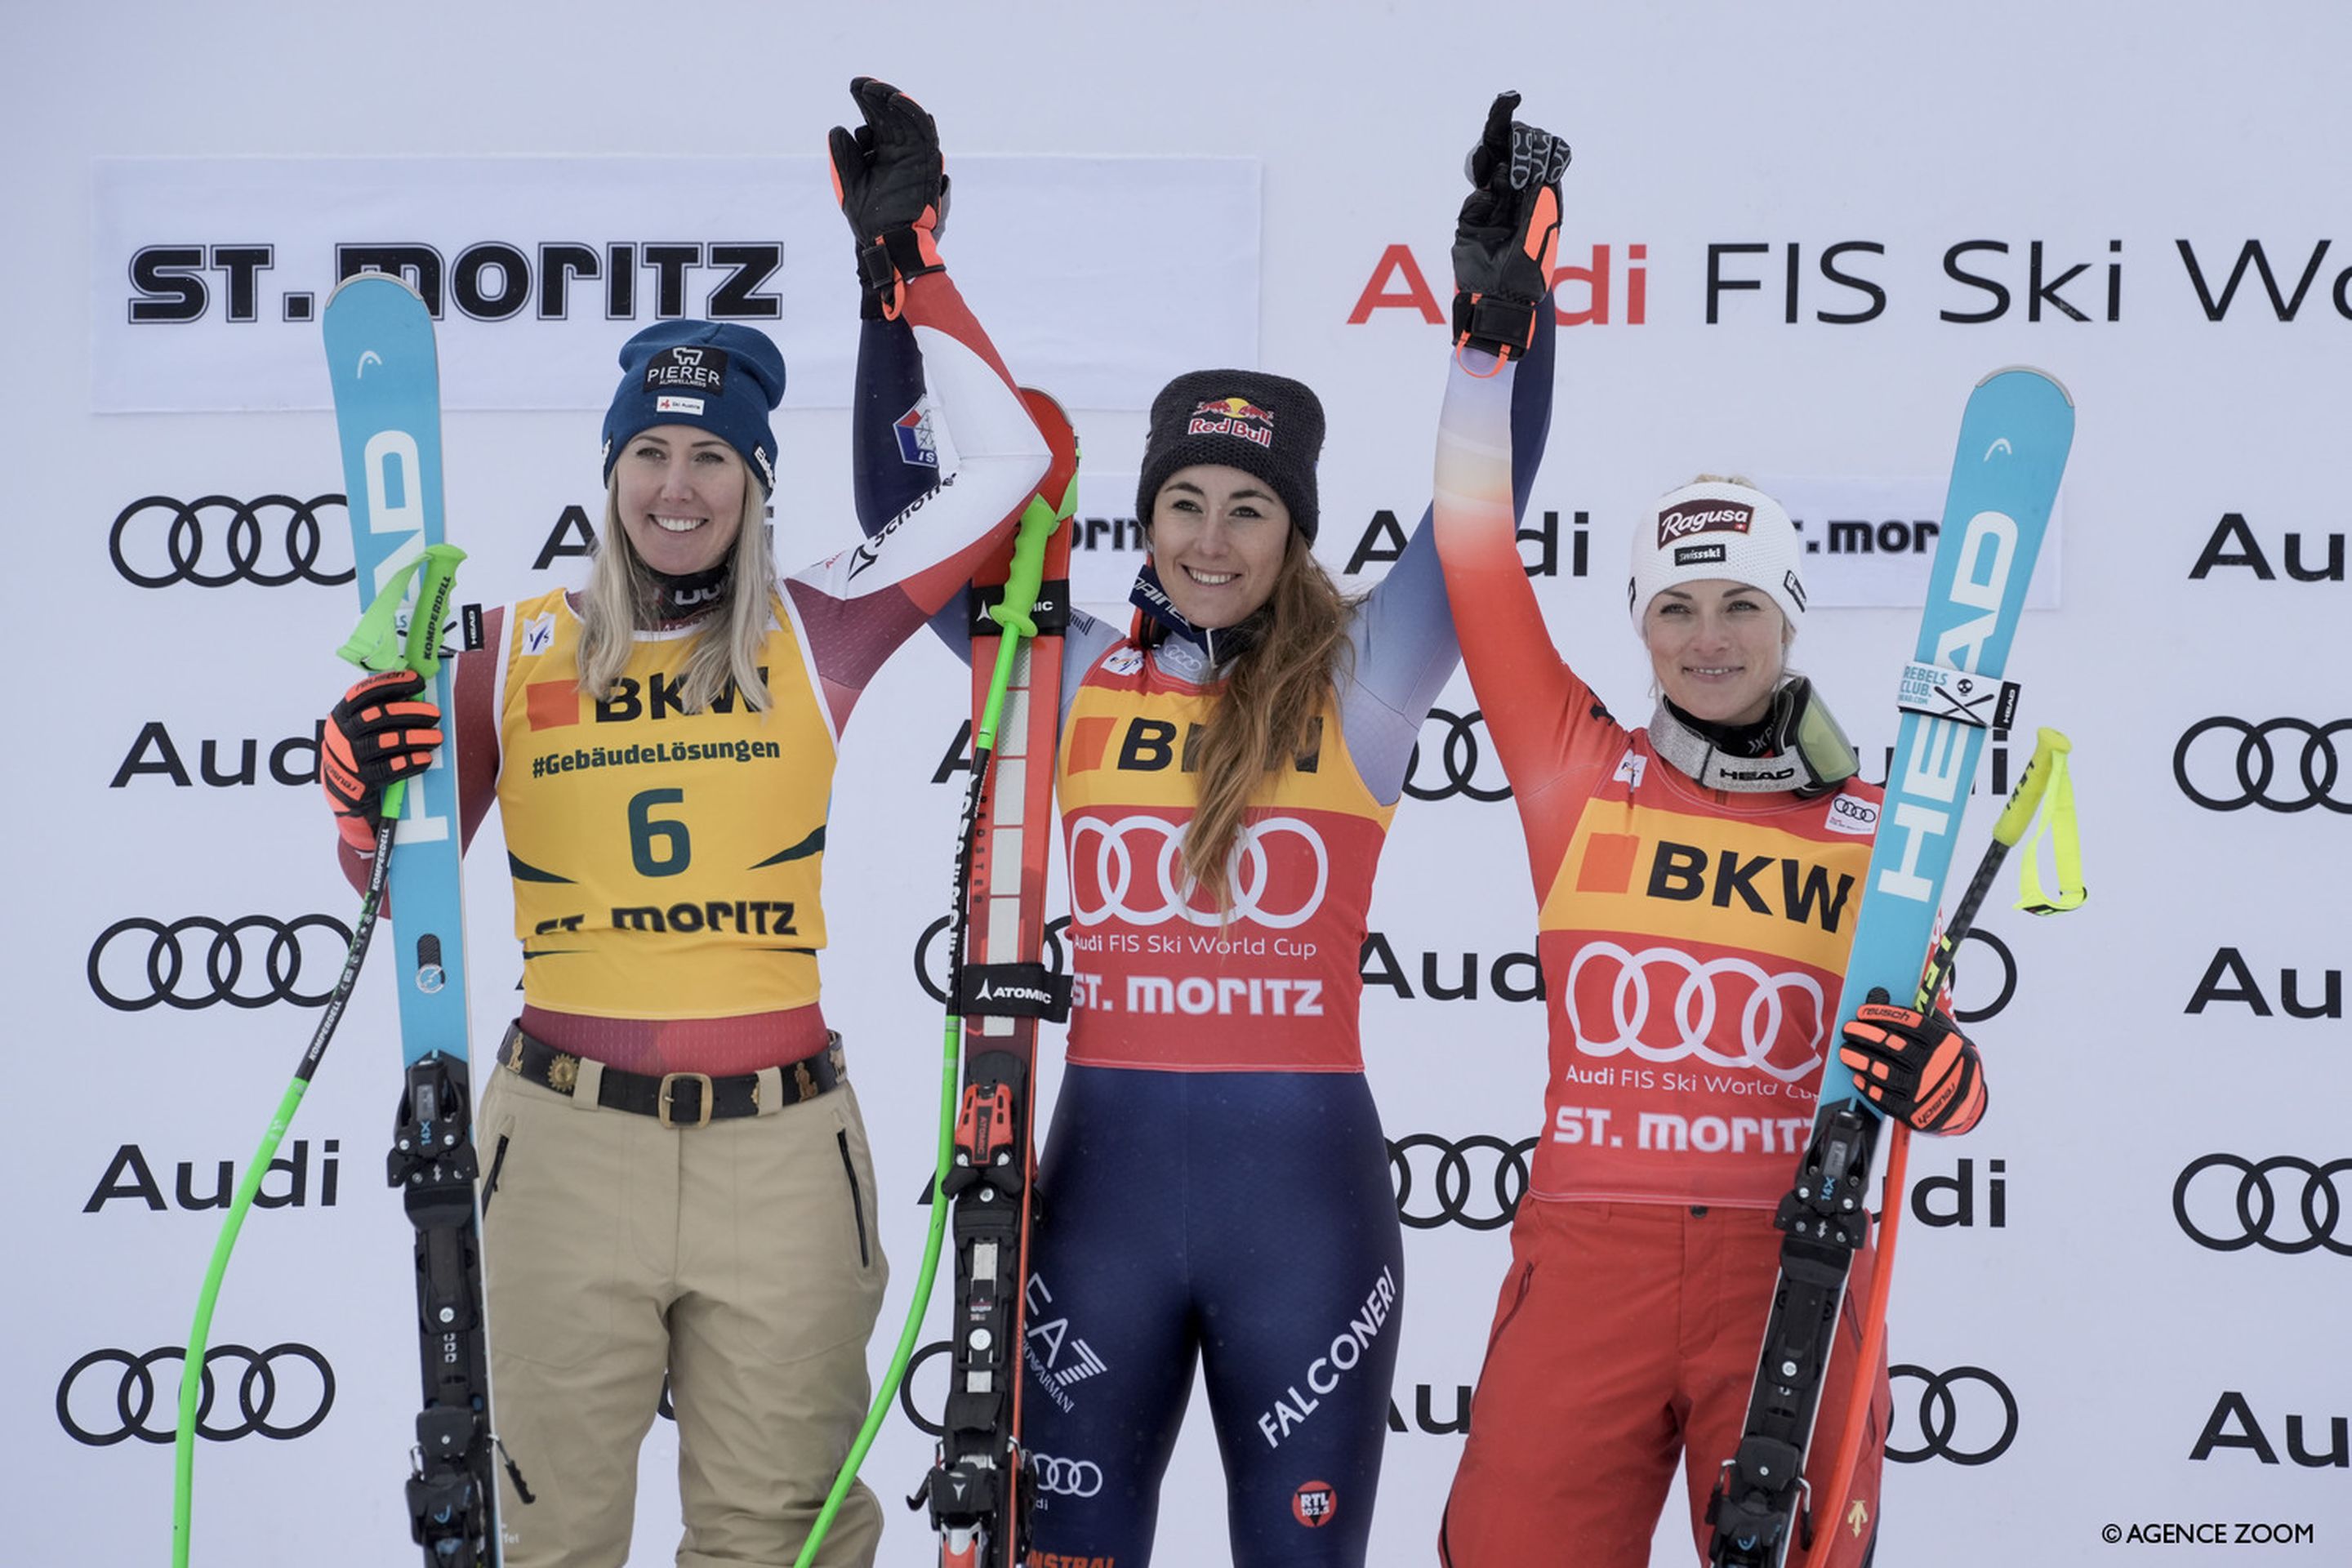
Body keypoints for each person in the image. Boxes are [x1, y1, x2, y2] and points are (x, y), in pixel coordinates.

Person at [316, 79, 1056, 1568]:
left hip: (779, 1157)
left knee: (780, 1539)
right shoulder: (507, 648)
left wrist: (908, 265)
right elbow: (397, 895)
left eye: (713, 457)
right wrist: (354, 779)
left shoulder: (820, 626)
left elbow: (1011, 466)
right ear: (607, 475)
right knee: (549, 1539)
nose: (677, 486)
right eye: (649, 455)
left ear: (754, 483)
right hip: (561, 1145)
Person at [850, 95, 1566, 1568]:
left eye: (1251, 509)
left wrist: (1506, 321)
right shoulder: (1064, 663)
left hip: (1303, 1219)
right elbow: (902, 518)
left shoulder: (1367, 676)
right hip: (1098, 1206)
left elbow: (1478, 521)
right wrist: (895, 281)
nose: (1213, 538)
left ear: (1294, 534)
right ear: (1149, 517)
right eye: (1185, 502)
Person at [1428, 171, 1990, 1563]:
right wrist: (1486, 349)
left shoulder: (1877, 823)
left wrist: (1947, 1077)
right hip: (1587, 1261)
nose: (1709, 637)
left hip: (1786, 1259)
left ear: (1789, 619)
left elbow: (1933, 1067)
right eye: (1675, 607)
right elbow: (1471, 549)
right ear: (1642, 628)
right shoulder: (1577, 767)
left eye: (1742, 602)